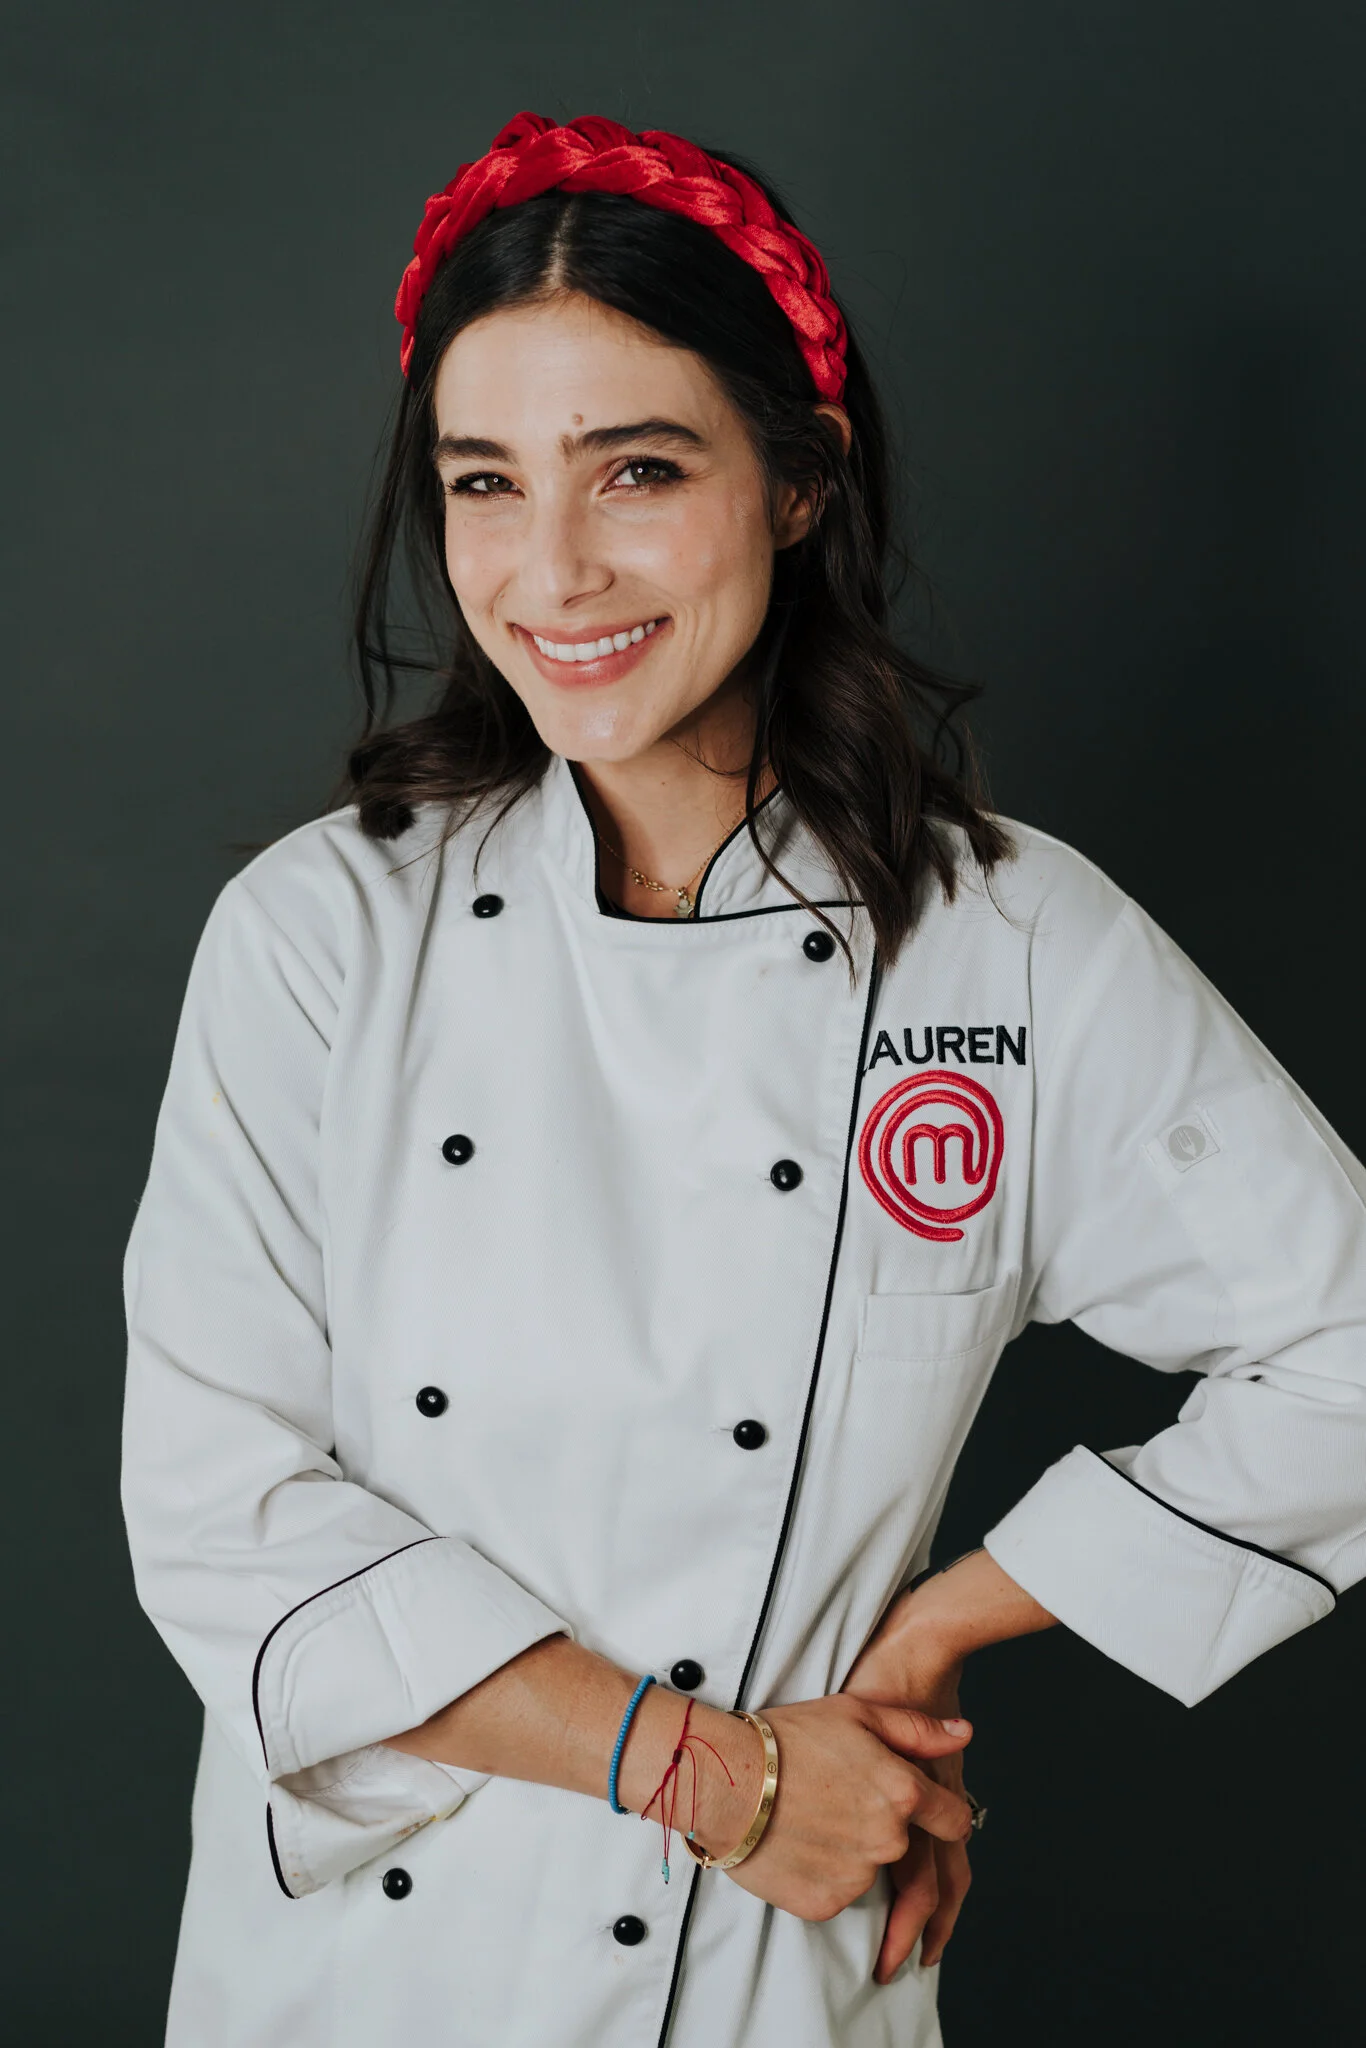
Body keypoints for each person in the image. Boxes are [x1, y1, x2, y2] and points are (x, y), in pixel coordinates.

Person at [120, 113, 1366, 2048]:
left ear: (796, 479)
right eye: (483, 482)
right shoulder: (323, 931)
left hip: (759, 1977)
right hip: (360, 1974)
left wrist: (947, 1620)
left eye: (637, 469)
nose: (552, 571)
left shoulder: (1004, 947)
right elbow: (222, 1511)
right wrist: (727, 1781)